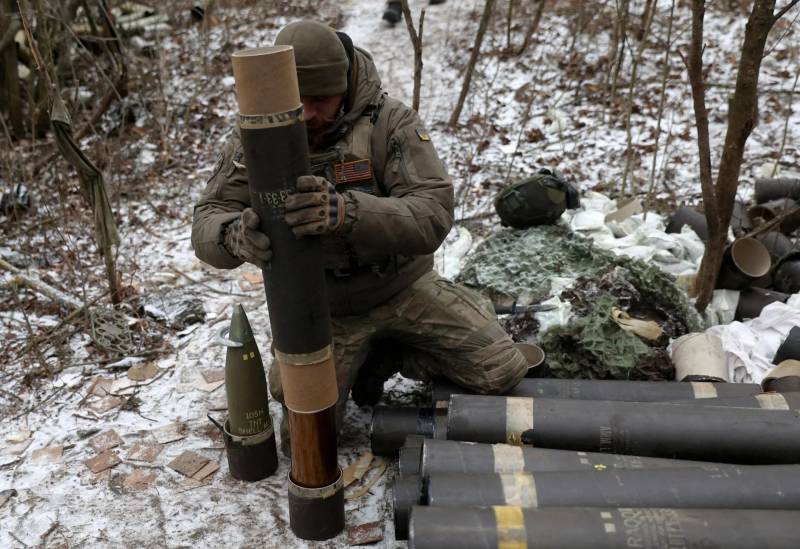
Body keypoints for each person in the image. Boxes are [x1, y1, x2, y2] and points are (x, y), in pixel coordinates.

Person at [191, 20, 527, 451]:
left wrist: (348, 212)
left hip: (403, 286)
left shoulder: (390, 123)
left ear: (344, 84)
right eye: (299, 101)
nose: (307, 114)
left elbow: (433, 213)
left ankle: (392, 353)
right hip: (322, 310)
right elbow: (207, 218)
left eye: (320, 100)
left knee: (501, 369)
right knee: (307, 441)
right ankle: (366, 358)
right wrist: (232, 235)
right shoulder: (256, 138)